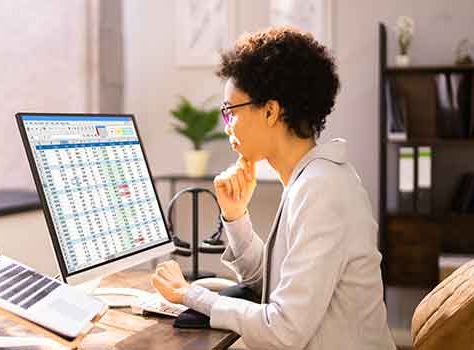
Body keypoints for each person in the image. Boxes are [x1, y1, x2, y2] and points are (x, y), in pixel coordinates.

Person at [151, 27, 396, 349]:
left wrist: (189, 295)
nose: (227, 127)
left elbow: (284, 330)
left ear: (270, 111)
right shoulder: (312, 180)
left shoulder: (322, 190)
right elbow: (275, 286)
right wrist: (236, 218)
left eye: (230, 112)